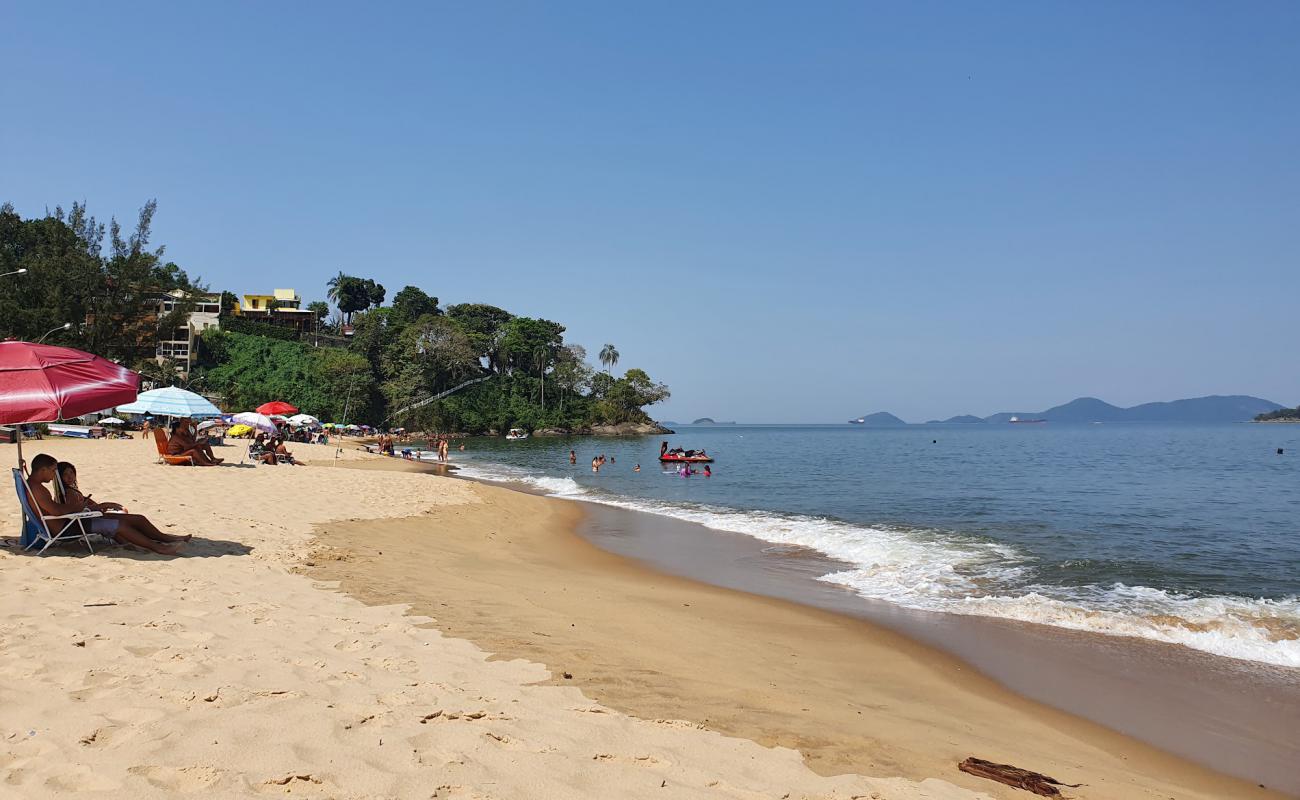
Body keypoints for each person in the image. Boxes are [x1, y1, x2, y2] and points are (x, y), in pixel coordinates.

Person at [24, 455, 186, 555]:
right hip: (67, 528)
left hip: (69, 523)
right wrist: (79, 507)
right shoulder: (38, 489)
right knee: (118, 525)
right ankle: (158, 548)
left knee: (122, 522)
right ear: (43, 470)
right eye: (53, 471)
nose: (54, 476)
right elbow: (57, 511)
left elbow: (56, 510)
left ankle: (161, 542)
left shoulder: (32, 486)